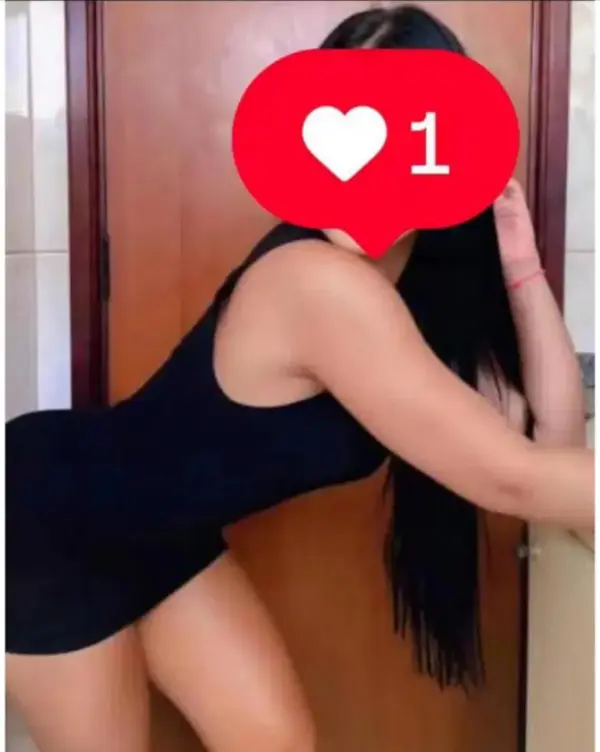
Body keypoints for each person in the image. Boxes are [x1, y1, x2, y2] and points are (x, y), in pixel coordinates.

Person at [6, 6, 593, 752]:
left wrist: (520, 260)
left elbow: (550, 443)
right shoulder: (317, 283)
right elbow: (516, 479)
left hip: (161, 534)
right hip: (52, 521)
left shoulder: (413, 288)